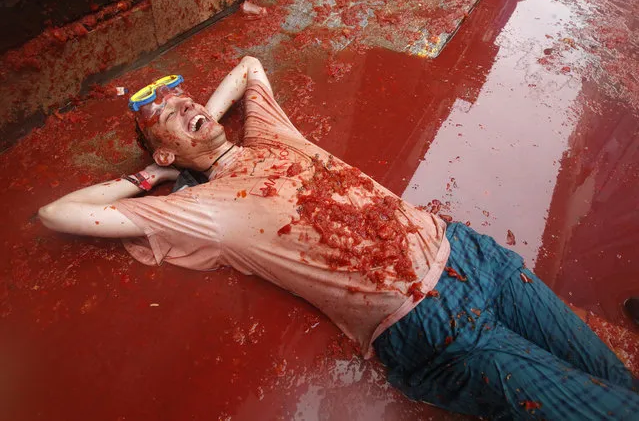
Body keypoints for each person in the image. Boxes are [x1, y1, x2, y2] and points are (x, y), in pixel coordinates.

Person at [39, 56, 639, 420]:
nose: (185, 102)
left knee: (617, 383)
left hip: (478, 257)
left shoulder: (269, 134)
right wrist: (152, 175)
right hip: (430, 324)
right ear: (165, 147)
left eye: (184, 95)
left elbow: (250, 66)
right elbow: (57, 214)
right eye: (165, 113)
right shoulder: (206, 209)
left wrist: (200, 115)